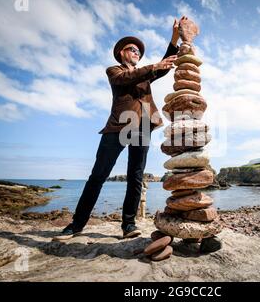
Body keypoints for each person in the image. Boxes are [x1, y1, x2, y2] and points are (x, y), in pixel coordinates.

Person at [53, 17, 186, 241]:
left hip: (143, 127)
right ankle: (76, 225)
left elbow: (164, 63)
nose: (137, 53)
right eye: (132, 49)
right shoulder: (114, 71)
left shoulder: (145, 74)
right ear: (122, 53)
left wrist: (174, 37)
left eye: (139, 51)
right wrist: (152, 66)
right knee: (98, 176)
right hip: (117, 127)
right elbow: (128, 77)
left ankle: (128, 224)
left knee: (135, 176)